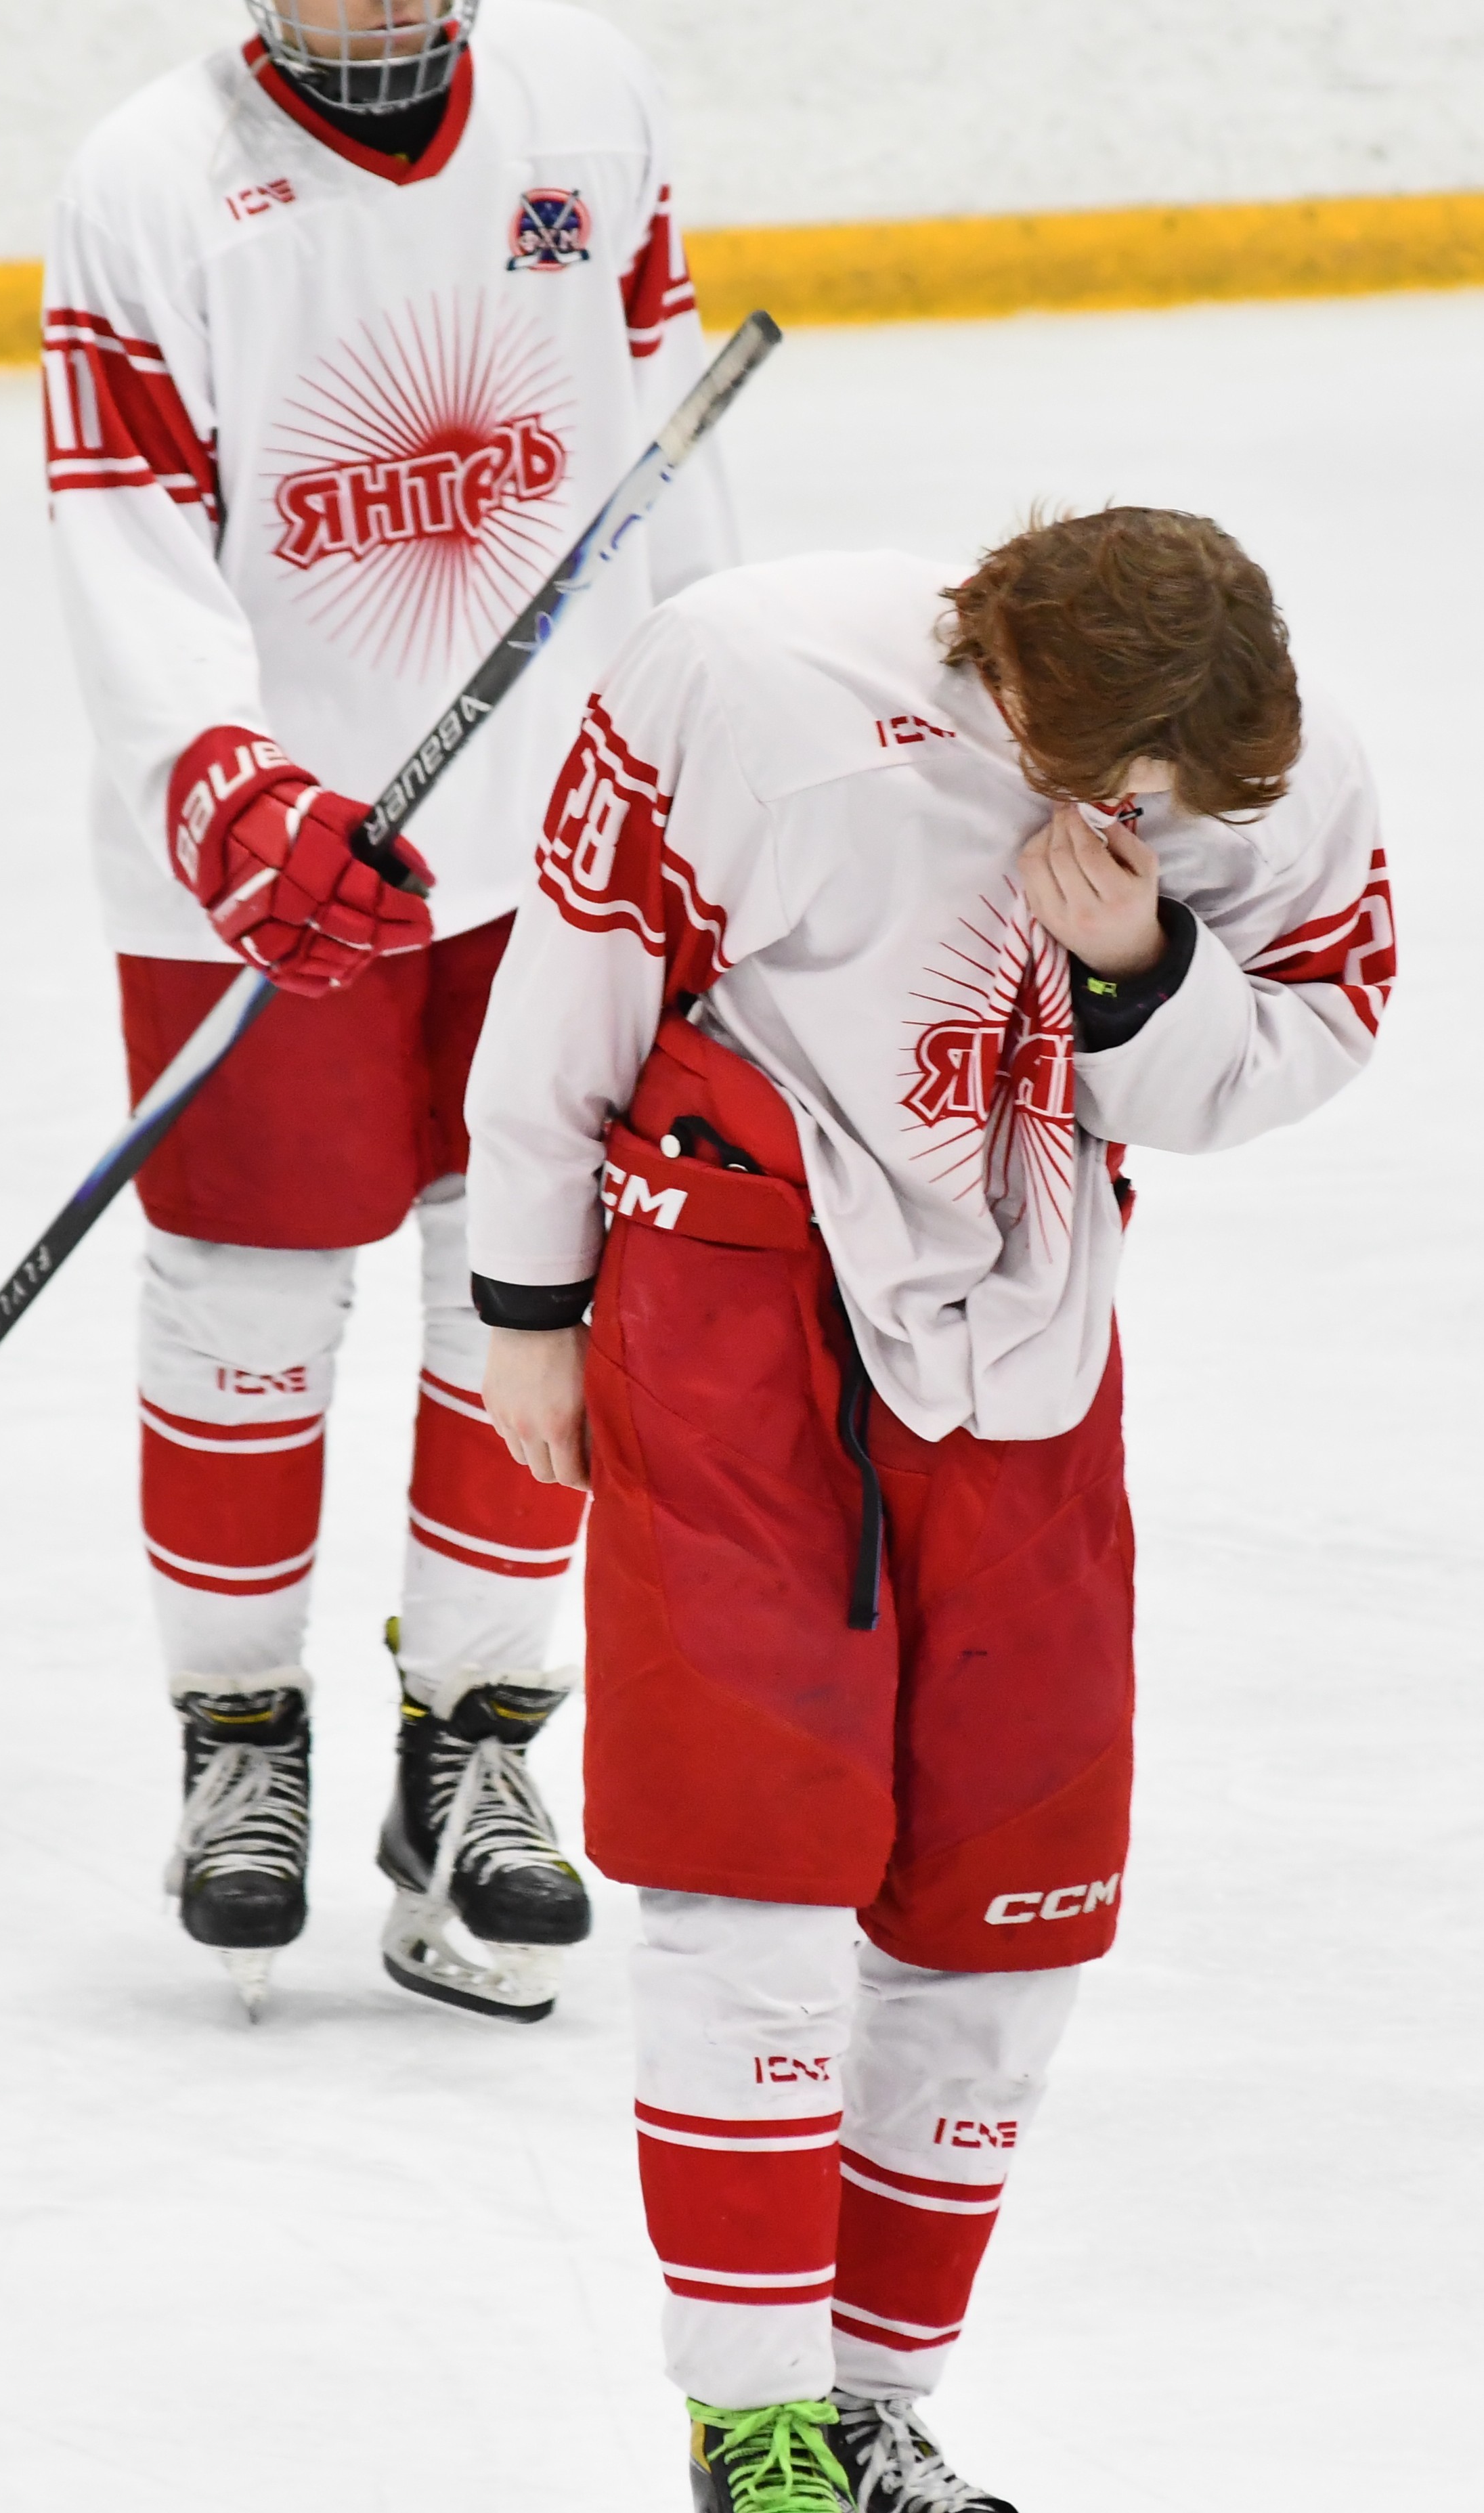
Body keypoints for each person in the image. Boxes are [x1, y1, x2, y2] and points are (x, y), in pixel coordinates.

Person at [466, 508, 1393, 2506]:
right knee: (752, 1864)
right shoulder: (749, 676)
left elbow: (1318, 1024)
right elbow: (570, 993)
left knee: (1012, 1886)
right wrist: (529, 1311)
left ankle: (876, 2403)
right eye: (1121, 778)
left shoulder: (1271, 768)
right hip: (729, 1296)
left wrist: (1141, 972)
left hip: (1027, 1317)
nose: (1157, 809)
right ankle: (758, 2425)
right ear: (1024, 685)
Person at [40, 0, 733, 2018]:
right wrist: (230, 787)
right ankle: (239, 1745)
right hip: (259, 856)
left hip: (563, 836)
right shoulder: (149, 182)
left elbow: (658, 450)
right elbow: (124, 525)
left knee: (522, 1281)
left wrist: (715, 754)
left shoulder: (592, 103)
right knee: (249, 1289)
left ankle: (478, 1750)